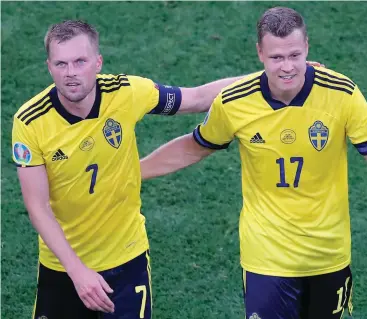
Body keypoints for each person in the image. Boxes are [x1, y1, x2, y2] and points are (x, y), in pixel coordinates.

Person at [140, 7, 367, 319]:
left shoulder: (342, 93)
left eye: (295, 55)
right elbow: (195, 146)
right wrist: (134, 171)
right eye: (277, 58)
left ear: (307, 47)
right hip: (266, 255)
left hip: (327, 254)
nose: (287, 67)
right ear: (260, 53)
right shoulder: (234, 101)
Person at [11, 20, 252, 319]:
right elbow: (37, 207)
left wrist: (268, 75)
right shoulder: (30, 121)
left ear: (97, 63)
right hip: (63, 267)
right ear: (49, 67)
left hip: (126, 259)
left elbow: (197, 98)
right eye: (61, 63)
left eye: (79, 61)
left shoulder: (126, 92)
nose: (71, 73)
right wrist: (78, 272)